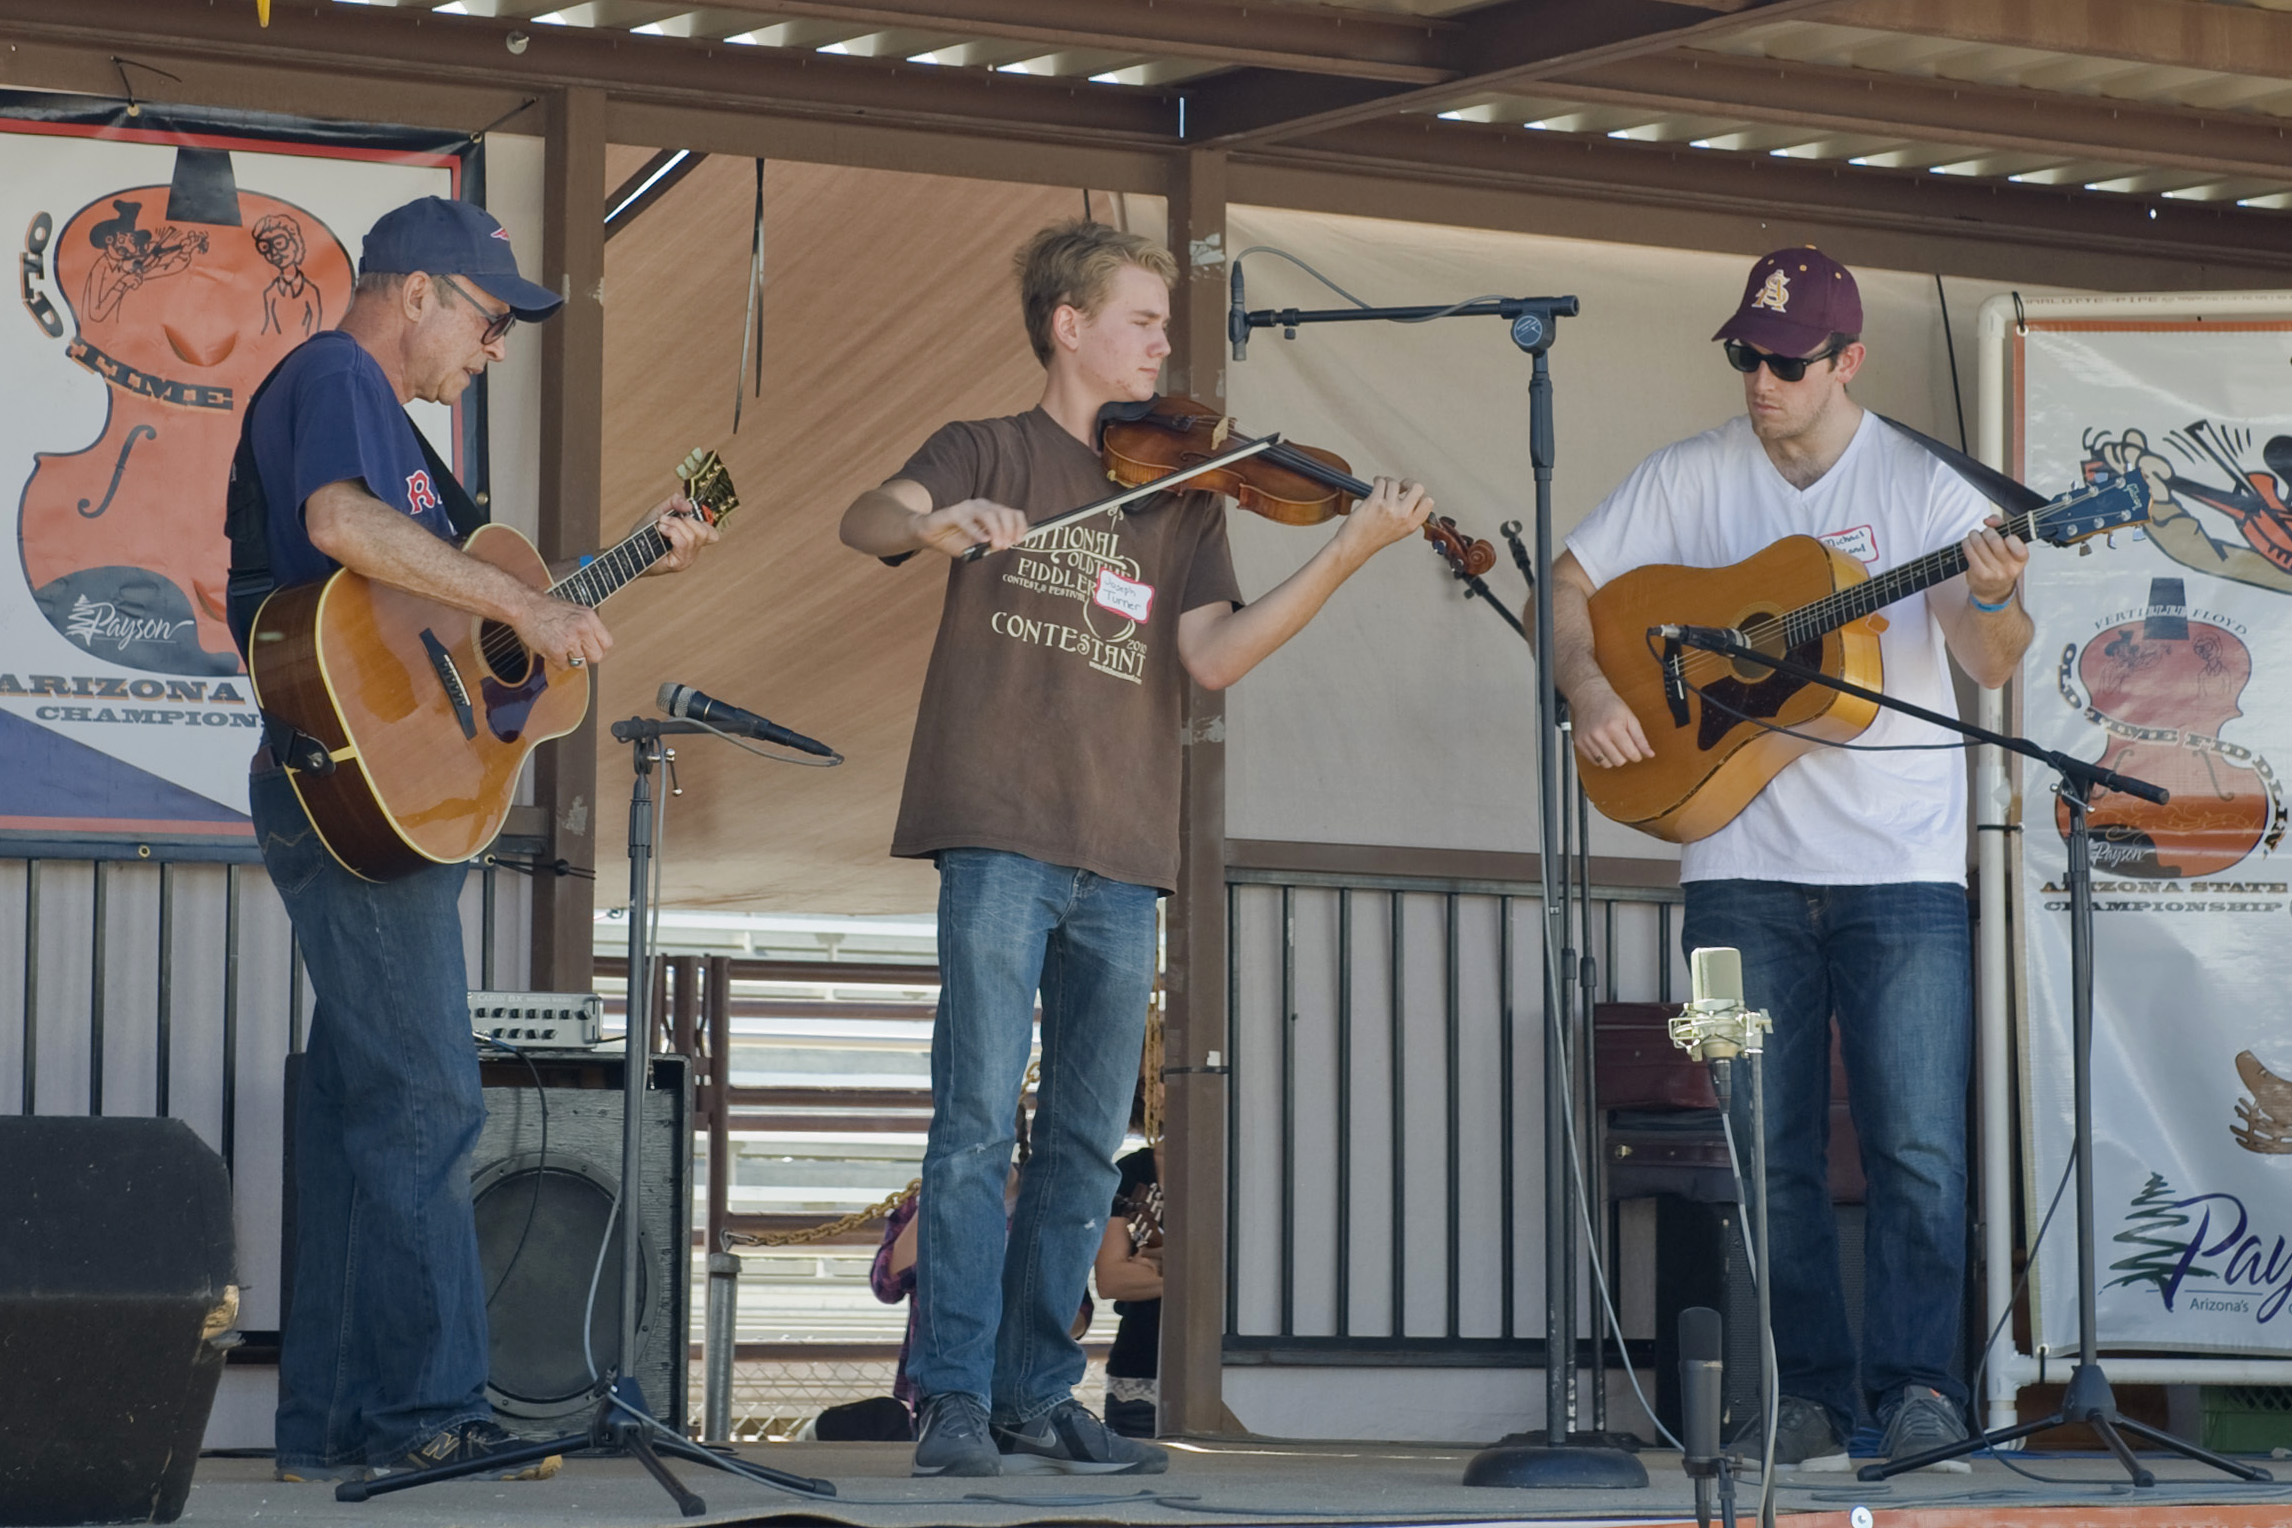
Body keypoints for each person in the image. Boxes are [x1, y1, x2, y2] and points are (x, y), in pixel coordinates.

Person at [838, 219, 1434, 1478]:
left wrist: (1346, 550)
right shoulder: (984, 447)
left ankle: (1038, 1393)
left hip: (1123, 847)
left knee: (1080, 1141)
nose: (1168, 344)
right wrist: (931, 522)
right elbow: (868, 518)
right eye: (1146, 320)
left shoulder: (1183, 494)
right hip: (998, 832)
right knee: (971, 1124)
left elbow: (1212, 656)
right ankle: (948, 1395)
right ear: (1070, 325)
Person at [229, 196, 717, 1484]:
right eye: (493, 320)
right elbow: (336, 526)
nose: (495, 348)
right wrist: (515, 597)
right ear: (421, 293)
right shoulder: (338, 371)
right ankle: (432, 1413)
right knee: (434, 1100)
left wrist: (620, 573)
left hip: (379, 795)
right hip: (348, 790)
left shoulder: (413, 448)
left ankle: (332, 1420)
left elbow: (470, 650)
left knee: (360, 1112)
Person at [1550, 247, 2033, 1470]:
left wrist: (1996, 594)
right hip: (1726, 871)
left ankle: (1921, 1389)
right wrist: (1585, 677)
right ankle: (1807, 1396)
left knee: (1918, 1143)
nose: (1760, 381)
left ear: (1848, 361)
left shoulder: (1926, 485)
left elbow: (1990, 663)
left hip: (1906, 875)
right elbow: (1570, 581)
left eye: (1787, 362)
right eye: (1745, 356)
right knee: (1756, 1142)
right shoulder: (1689, 473)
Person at [1094, 1123, 1163, 1438]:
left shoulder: (1245, 1165)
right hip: (1138, 1378)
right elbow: (1111, 1281)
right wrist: (1202, 1269)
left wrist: (1157, 1261)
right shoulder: (1130, 1170)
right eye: (1157, 1077)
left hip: (1236, 1369)